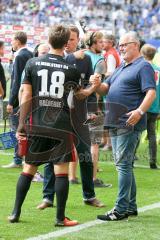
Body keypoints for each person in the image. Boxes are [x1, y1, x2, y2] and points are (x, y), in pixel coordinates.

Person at [8, 24, 99, 226]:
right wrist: (93, 86)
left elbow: (26, 94)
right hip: (61, 125)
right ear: (67, 44)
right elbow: (79, 96)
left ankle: (15, 213)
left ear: (48, 41)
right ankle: (59, 218)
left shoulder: (33, 63)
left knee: (28, 169)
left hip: (38, 123)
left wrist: (22, 124)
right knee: (61, 172)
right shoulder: (72, 70)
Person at [37, 25, 105, 210]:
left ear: (78, 41)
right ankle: (48, 197)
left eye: (72, 40)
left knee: (85, 156)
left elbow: (89, 89)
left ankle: (89, 196)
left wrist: (92, 109)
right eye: (66, 40)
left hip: (78, 116)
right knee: (52, 156)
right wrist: (71, 57)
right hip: (57, 117)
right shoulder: (60, 59)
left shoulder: (85, 60)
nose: (68, 43)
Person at [90, 32, 156, 221]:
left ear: (135, 45)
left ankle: (120, 210)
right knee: (125, 165)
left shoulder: (143, 66)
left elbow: (151, 92)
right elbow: (106, 89)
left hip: (128, 122)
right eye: (120, 45)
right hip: (116, 121)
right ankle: (130, 207)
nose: (121, 48)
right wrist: (97, 84)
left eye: (124, 45)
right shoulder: (121, 67)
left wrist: (139, 112)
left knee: (123, 166)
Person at [84, 30, 111, 188]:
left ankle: (71, 176)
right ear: (94, 43)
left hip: (75, 103)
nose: (103, 44)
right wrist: (98, 108)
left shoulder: (79, 55)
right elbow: (97, 87)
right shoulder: (100, 60)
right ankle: (93, 179)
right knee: (94, 144)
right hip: (91, 104)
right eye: (101, 42)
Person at [2, 31, 33, 169]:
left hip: (20, 98)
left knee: (17, 129)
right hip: (29, 96)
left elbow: (16, 81)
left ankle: (17, 159)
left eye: (12, 41)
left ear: (18, 41)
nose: (11, 43)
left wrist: (10, 102)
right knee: (25, 129)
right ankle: (25, 158)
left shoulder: (20, 56)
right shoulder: (29, 54)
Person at [141, 44, 160, 169]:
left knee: (136, 133)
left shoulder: (142, 67)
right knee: (152, 133)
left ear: (142, 54)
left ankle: (129, 159)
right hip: (155, 106)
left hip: (142, 105)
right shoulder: (158, 69)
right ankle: (152, 161)